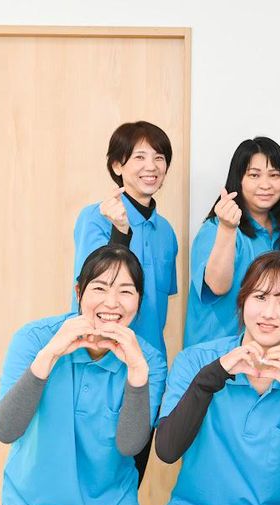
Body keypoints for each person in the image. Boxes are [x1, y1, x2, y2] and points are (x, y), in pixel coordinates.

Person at [0, 245, 167, 505]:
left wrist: (137, 372)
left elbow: (130, 446)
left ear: (139, 300)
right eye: (99, 288)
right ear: (78, 292)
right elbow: (5, 430)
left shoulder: (149, 361)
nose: (112, 303)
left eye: (125, 291)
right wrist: (49, 355)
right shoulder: (34, 339)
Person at [156, 252, 280, 505]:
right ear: (243, 298)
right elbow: (167, 450)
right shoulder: (195, 361)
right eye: (260, 297)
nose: (269, 313)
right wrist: (211, 377)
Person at [73, 120, 178, 357]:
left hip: (150, 358)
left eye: (159, 158)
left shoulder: (166, 231)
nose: (151, 166)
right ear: (117, 166)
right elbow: (94, 285)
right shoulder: (96, 217)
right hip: (101, 357)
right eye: (139, 157)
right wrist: (120, 231)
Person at [184, 137, 280, 347]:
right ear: (239, 179)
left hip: (266, 355)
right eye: (254, 175)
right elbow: (217, 286)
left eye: (274, 175)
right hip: (216, 354)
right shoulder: (215, 229)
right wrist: (227, 229)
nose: (265, 184)